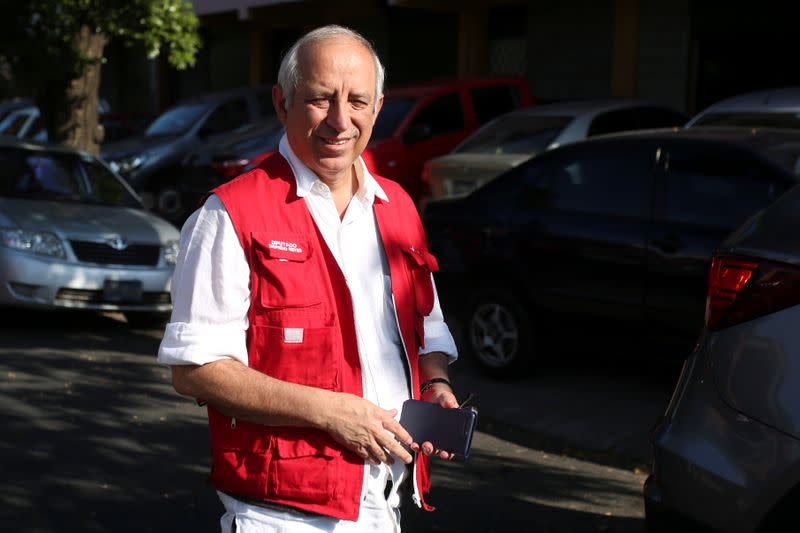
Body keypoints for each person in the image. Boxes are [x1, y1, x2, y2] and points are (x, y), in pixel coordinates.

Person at [157, 24, 459, 532]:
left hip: (386, 501)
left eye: (358, 102)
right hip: (281, 514)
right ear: (282, 102)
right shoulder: (231, 214)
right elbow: (196, 368)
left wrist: (436, 384)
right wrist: (329, 412)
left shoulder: (398, 207)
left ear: (379, 107)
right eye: (321, 99)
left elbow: (425, 324)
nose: (341, 121)